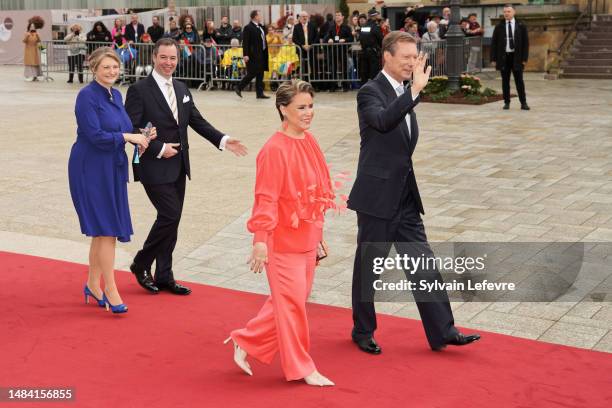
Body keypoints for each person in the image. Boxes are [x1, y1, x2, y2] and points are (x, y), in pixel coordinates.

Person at [348, 31, 481, 354]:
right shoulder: (370, 92)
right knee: (370, 269)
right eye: (406, 56)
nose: (412, 62)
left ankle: (444, 331)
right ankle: (362, 330)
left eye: (415, 56)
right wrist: (415, 92)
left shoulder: (407, 92)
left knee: (424, 265)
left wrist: (412, 92)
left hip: (405, 198)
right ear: (387, 57)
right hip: (377, 198)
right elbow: (381, 122)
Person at [226, 80, 335, 387]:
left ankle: (245, 341)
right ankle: (302, 367)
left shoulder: (309, 140)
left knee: (289, 302)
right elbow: (266, 198)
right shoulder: (274, 150)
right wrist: (260, 242)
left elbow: (317, 191)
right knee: (292, 307)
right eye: (301, 107)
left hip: (306, 237)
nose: (308, 112)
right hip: (281, 241)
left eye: (311, 106)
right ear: (283, 109)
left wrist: (318, 233)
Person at [125, 38, 247, 295]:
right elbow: (130, 128)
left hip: (179, 164)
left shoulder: (182, 88)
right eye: (164, 58)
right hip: (152, 163)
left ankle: (164, 275)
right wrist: (159, 148)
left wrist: (223, 140)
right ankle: (141, 262)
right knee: (169, 215)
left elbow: (196, 120)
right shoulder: (139, 90)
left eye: (173, 58)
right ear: (154, 58)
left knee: (173, 220)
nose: (168, 63)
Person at [68, 47, 153, 314]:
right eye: (106, 67)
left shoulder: (116, 94)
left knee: (104, 230)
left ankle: (93, 284)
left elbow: (123, 128)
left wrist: (143, 135)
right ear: (94, 68)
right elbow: (95, 135)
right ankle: (110, 288)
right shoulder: (86, 96)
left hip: (112, 167)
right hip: (90, 167)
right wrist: (128, 138)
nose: (112, 72)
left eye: (115, 67)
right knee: (105, 229)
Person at [491, 4, 530, 110]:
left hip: (517, 57)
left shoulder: (521, 25)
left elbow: (525, 43)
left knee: (519, 81)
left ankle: (523, 103)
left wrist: (524, 59)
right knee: (505, 81)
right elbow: (494, 43)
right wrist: (493, 59)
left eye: (508, 11)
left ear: (514, 12)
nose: (506, 13)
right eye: (504, 12)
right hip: (504, 57)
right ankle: (506, 102)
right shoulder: (499, 26)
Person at [235, 10, 270, 99]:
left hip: (262, 53)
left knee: (260, 73)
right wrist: (245, 54)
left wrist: (262, 25)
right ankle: (239, 87)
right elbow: (245, 42)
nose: (260, 17)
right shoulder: (248, 27)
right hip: (253, 54)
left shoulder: (260, 26)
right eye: (259, 15)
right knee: (252, 72)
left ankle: (259, 93)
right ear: (255, 16)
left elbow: (264, 34)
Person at [323, 11, 352, 92]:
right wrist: (329, 39)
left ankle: (345, 86)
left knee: (344, 68)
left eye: (339, 15)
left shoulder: (347, 27)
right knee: (333, 68)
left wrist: (345, 40)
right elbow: (326, 37)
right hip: (333, 51)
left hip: (343, 50)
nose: (337, 17)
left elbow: (351, 39)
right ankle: (333, 86)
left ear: (342, 17)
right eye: (336, 15)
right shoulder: (332, 27)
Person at [358, 9, 383, 85]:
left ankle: (363, 88)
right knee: (374, 72)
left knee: (364, 72)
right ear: (374, 16)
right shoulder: (375, 27)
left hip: (364, 52)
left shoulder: (364, 26)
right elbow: (381, 39)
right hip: (373, 53)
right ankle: (373, 89)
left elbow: (361, 39)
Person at [292, 12, 318, 82]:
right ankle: (305, 82)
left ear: (308, 17)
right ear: (300, 18)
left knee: (314, 65)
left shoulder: (313, 26)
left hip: (311, 49)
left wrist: (311, 45)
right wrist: (302, 46)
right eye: (303, 16)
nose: (304, 18)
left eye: (306, 16)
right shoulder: (296, 27)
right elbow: (294, 39)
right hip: (301, 50)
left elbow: (317, 37)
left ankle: (314, 83)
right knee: (304, 67)